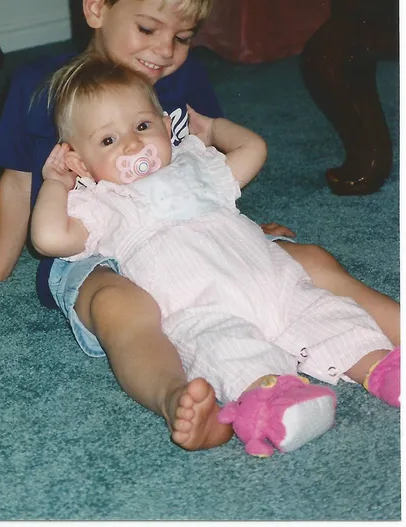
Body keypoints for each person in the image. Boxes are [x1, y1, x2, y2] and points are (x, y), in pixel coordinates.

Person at [0, 0, 400, 451]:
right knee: (123, 308)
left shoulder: (181, 79)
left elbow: (207, 157)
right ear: (96, 7)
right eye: (148, 29)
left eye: (182, 37)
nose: (165, 51)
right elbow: (18, 184)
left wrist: (237, 229)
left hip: (194, 234)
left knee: (309, 260)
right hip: (92, 245)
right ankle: (178, 397)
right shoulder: (40, 87)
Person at [30, 53, 399, 456]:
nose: (133, 143)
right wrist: (56, 182)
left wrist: (212, 128)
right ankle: (276, 402)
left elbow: (253, 148)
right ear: (81, 163)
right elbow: (48, 239)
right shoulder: (101, 202)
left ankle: (384, 367)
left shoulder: (196, 165)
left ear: (166, 126)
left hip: (274, 282)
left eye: (142, 126)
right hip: (199, 310)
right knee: (227, 353)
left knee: (332, 317)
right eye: (108, 140)